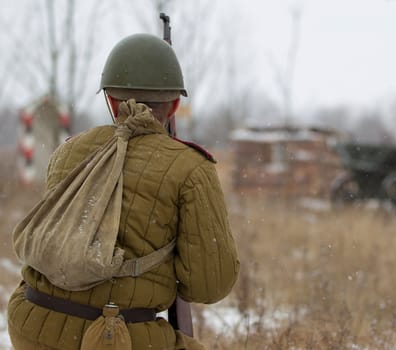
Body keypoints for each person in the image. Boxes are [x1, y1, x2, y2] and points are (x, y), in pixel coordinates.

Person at [7, 33, 240, 350]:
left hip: (30, 320)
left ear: (111, 101)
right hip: (112, 337)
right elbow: (210, 286)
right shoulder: (190, 167)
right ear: (173, 105)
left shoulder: (67, 152)